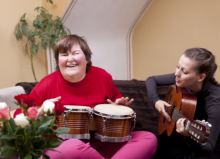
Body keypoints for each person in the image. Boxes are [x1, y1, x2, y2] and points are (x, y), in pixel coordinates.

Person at [14, 34, 157, 159]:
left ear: (87, 58)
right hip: (64, 148)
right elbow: (19, 118)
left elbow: (116, 102)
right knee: (70, 147)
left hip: (101, 145)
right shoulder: (47, 84)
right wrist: (39, 112)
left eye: (75, 53)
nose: (70, 59)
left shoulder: (102, 77)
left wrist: (119, 106)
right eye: (64, 55)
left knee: (149, 138)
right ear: (58, 61)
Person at [146, 48, 220, 159]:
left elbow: (208, 149)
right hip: (182, 142)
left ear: (200, 77)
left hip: (207, 149)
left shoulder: (215, 102)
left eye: (184, 71)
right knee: (149, 143)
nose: (176, 73)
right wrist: (156, 101)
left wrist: (188, 135)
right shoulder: (182, 79)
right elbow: (151, 80)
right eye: (177, 67)